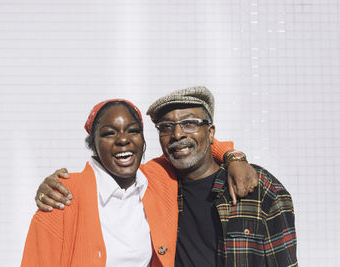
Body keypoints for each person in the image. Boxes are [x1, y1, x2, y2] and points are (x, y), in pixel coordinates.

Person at [35, 86, 297, 266]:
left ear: (211, 131)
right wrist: (56, 185)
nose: (178, 134)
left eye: (190, 123)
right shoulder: (156, 180)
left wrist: (233, 157)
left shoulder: (261, 188)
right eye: (166, 127)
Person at [22, 99, 165, 266]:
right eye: (109, 133)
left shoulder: (158, 180)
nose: (123, 139)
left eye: (133, 131)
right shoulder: (62, 195)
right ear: (93, 144)